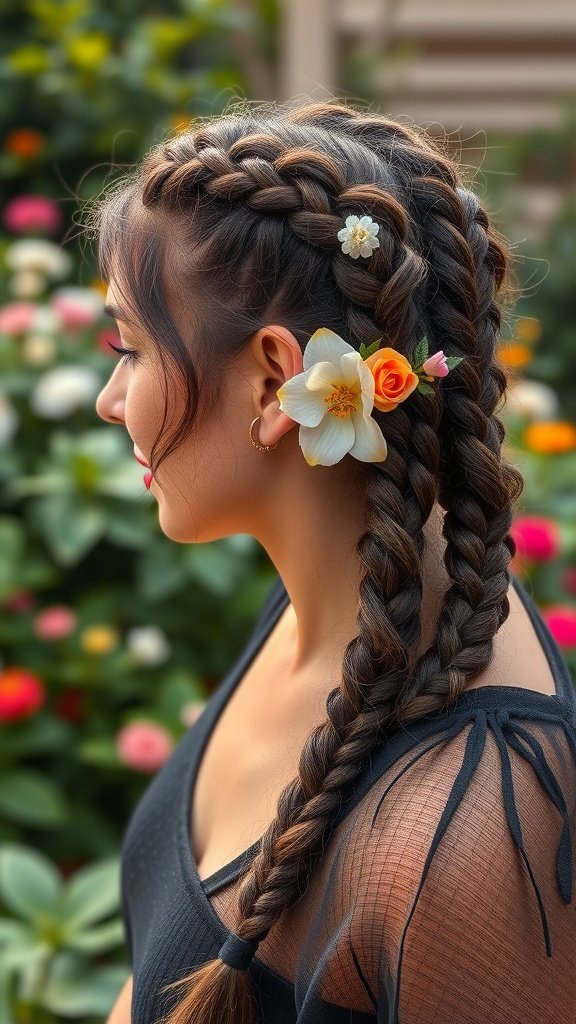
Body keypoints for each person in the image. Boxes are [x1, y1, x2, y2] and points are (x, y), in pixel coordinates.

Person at [92, 97, 576, 1024]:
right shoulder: (344, 604)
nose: (112, 400)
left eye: (133, 348)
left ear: (278, 380)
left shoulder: (468, 836)